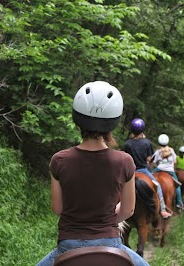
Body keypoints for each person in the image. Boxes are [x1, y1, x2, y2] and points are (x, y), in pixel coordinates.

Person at [36, 81, 149, 266]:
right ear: (113, 122)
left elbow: (58, 208)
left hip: (68, 245)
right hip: (110, 242)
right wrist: (107, 218)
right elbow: (128, 210)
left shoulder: (59, 160)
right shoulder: (125, 161)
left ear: (77, 119)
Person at [124, 118, 172, 219]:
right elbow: (149, 159)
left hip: (131, 172)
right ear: (142, 130)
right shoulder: (147, 142)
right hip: (143, 170)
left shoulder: (127, 143)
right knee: (158, 186)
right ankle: (163, 210)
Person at [151, 134, 184, 211]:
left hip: (159, 168)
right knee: (177, 186)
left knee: (148, 179)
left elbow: (153, 162)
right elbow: (175, 161)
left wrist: (156, 164)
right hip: (170, 170)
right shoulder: (171, 150)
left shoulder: (158, 151)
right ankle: (179, 202)